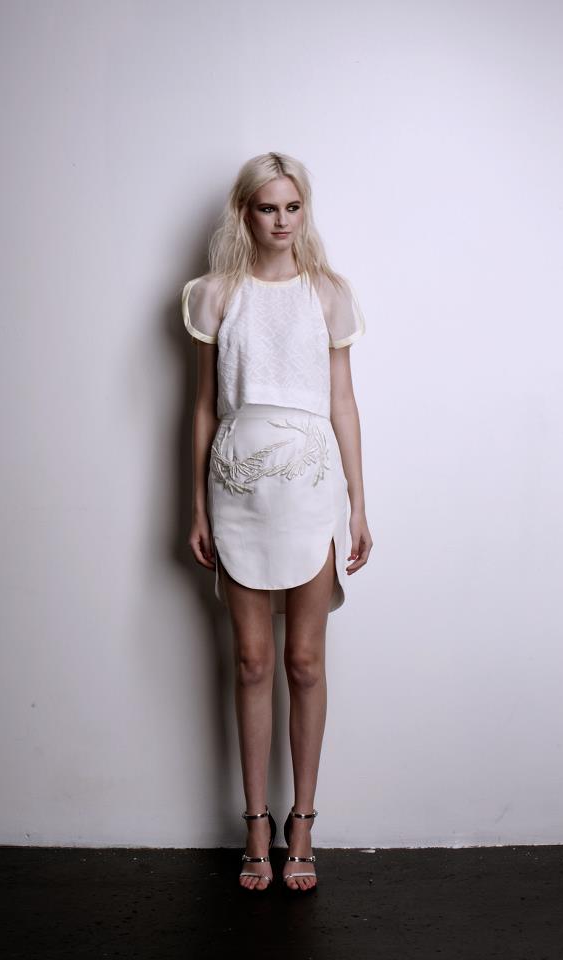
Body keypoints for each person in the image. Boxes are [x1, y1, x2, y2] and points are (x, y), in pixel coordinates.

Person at [182, 151, 373, 893]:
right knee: (252, 661)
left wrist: (359, 503)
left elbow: (344, 402)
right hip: (238, 488)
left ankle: (304, 823)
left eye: (293, 207)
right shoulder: (215, 295)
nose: (282, 221)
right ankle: (255, 824)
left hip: (311, 488)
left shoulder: (328, 293)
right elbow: (204, 406)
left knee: (305, 662)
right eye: (268, 207)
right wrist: (196, 504)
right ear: (245, 213)